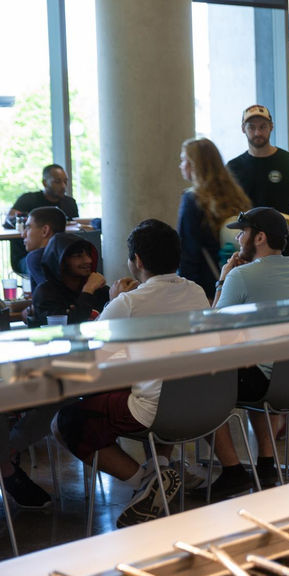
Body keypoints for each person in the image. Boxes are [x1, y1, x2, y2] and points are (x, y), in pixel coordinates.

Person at [54, 220, 210, 528]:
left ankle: (146, 481)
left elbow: (88, 349)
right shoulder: (197, 292)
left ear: (136, 261)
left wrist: (113, 300)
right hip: (201, 403)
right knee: (155, 386)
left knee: (65, 422)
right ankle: (163, 469)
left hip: (154, 408)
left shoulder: (128, 302)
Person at [206, 207, 289, 498]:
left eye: (243, 232)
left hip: (266, 380)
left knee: (200, 381)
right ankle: (266, 464)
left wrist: (223, 277)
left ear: (260, 238)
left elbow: (213, 326)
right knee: (253, 362)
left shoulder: (241, 276)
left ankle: (232, 472)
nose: (239, 237)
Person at [226, 105, 289, 259]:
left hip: (285, 242)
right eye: (252, 127)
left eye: (263, 127)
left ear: (271, 127)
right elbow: (229, 207)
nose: (258, 132)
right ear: (243, 129)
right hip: (248, 246)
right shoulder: (233, 167)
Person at [177, 137, 253, 301]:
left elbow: (188, 253)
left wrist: (186, 293)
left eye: (184, 160)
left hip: (208, 287)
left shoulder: (192, 199)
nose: (180, 165)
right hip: (240, 281)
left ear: (194, 164)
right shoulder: (237, 196)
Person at [5, 164, 78, 275]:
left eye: (65, 181)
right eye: (57, 182)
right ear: (45, 183)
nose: (63, 186)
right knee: (44, 261)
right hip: (26, 255)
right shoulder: (28, 200)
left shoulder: (69, 203)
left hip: (59, 252)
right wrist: (27, 223)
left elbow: (76, 224)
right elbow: (9, 219)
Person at [31, 232, 109, 326]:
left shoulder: (99, 290)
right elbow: (68, 328)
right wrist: (88, 291)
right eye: (78, 256)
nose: (89, 260)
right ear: (61, 261)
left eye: (88, 254)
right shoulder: (45, 294)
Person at [21, 206, 68, 290]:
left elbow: (51, 297)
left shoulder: (37, 257)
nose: (23, 234)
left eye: (28, 228)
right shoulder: (69, 252)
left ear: (45, 231)